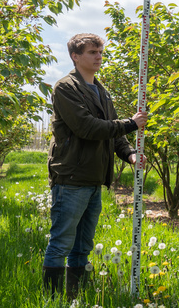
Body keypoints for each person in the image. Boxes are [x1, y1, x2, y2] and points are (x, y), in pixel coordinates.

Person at [42, 33, 148, 299]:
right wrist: (131, 123)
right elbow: (87, 127)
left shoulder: (101, 90)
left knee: (83, 245)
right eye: (92, 52)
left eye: (100, 51)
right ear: (75, 56)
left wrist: (130, 154)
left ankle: (74, 296)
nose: (99, 56)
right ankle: (52, 299)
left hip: (93, 179)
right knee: (61, 242)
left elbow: (114, 135)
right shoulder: (66, 88)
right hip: (71, 176)